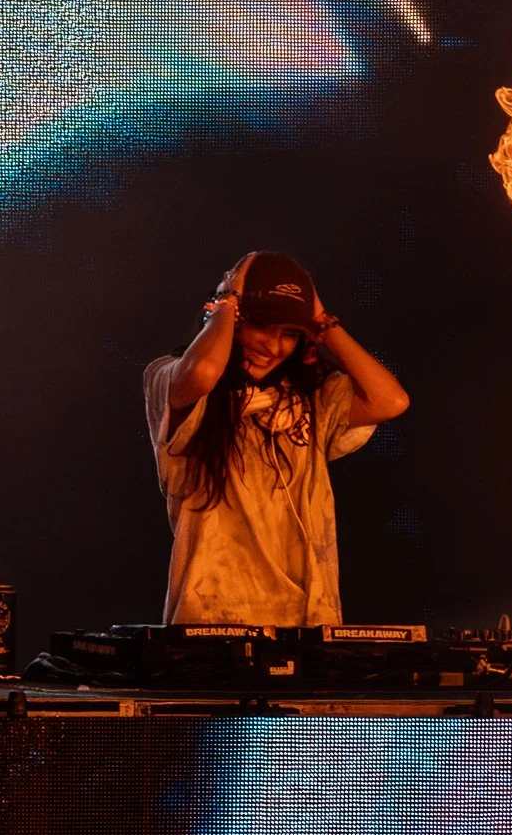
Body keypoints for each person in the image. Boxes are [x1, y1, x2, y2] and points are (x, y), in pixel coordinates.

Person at [143, 251, 409, 626]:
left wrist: (322, 323)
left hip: (305, 619)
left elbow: (391, 401)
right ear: (233, 321)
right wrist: (226, 305)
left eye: (289, 335)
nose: (273, 347)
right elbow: (203, 372)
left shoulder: (311, 400)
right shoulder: (168, 378)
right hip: (213, 617)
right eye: (261, 327)